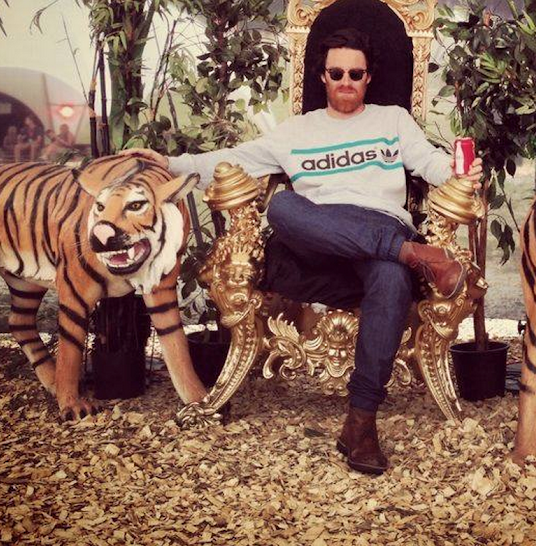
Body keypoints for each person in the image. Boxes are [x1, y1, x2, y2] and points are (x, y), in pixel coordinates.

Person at [126, 28, 482, 475]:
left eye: (356, 74)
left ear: (368, 77)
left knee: (391, 277)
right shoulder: (297, 131)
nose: (346, 81)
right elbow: (231, 159)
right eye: (337, 73)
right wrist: (167, 164)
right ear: (323, 76)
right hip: (317, 241)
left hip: (377, 232)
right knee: (284, 207)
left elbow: (430, 163)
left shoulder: (392, 120)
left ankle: (360, 424)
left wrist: (460, 171)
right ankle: (413, 254)